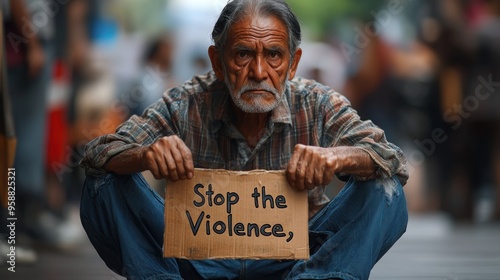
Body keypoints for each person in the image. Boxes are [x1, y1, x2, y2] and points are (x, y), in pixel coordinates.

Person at [80, 0, 409, 279]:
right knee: (102, 183)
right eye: (242, 55)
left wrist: (337, 157)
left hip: (299, 260)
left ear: (293, 64)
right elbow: (98, 153)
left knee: (385, 188)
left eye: (274, 56)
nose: (258, 71)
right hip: (196, 260)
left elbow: (390, 157)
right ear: (217, 63)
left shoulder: (317, 103)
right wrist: (146, 155)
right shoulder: (185, 103)